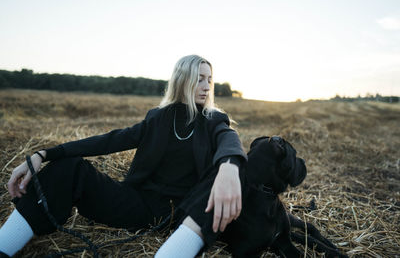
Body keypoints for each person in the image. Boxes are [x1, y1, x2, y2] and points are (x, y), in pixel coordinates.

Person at [0, 55, 247, 258]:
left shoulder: (214, 120)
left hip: (187, 215)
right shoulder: (157, 118)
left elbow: (229, 139)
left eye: (209, 80)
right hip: (138, 206)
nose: (206, 86)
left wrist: (229, 167)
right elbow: (109, 140)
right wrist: (44, 154)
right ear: (183, 80)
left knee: (220, 176)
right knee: (69, 168)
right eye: (200, 79)